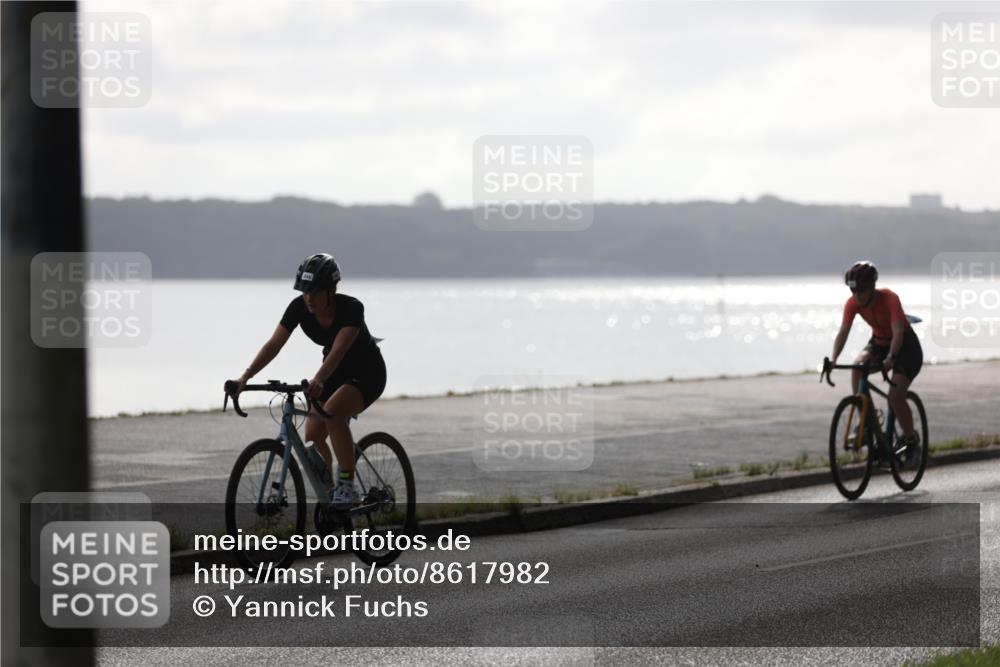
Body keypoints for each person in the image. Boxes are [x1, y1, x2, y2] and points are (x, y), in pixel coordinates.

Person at [229, 253, 387, 508]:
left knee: (332, 413)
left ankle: (348, 486)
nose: (309, 298)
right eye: (304, 291)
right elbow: (274, 344)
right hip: (332, 373)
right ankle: (331, 492)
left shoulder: (352, 308)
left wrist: (318, 379)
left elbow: (339, 351)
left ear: (331, 290)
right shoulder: (299, 307)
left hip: (367, 372)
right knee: (313, 435)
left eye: (314, 292)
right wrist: (245, 377)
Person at [829, 260, 923, 456]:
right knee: (857, 368)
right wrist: (833, 360)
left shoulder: (889, 298)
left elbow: (898, 332)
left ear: (872, 286)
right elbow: (843, 333)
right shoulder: (853, 303)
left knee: (895, 396)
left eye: (861, 290)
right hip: (879, 342)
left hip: (906, 347)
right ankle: (863, 422)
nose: (857, 295)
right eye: (853, 291)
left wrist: (891, 358)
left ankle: (911, 438)